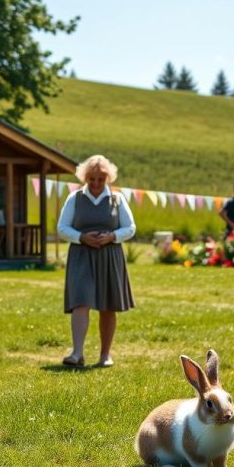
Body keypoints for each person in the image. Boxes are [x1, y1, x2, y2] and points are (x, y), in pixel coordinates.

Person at [57, 155, 136, 368]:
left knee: (108, 305)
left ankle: (105, 355)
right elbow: (62, 227)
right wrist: (81, 237)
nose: (96, 183)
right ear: (85, 177)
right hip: (81, 255)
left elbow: (130, 228)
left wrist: (112, 236)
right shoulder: (75, 198)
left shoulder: (117, 199)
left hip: (109, 256)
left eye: (101, 179)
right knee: (80, 301)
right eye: (92, 178)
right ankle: (77, 353)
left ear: (107, 178)